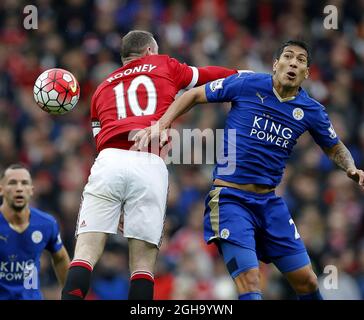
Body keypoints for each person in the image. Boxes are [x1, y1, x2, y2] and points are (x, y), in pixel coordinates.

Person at [134, 40, 364, 300]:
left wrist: (351, 167)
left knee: (308, 282)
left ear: (306, 73)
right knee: (251, 281)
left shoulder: (310, 110)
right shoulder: (248, 84)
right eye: (288, 56)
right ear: (276, 64)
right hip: (231, 200)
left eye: (300, 60)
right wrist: (162, 124)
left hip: (269, 203)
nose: (293, 63)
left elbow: (334, 146)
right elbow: (194, 94)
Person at [61, 30, 240, 300]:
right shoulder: (163, 64)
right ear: (148, 52)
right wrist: (244, 75)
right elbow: (208, 75)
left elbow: (100, 144)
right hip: (149, 162)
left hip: (108, 160)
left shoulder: (101, 88)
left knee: (84, 253)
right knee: (143, 264)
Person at [0, 164, 70, 300]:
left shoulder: (46, 224)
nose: (19, 188)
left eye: (24, 183)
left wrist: (69, 296)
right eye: (12, 183)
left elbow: (61, 259)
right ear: (1, 189)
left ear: (31, 190)